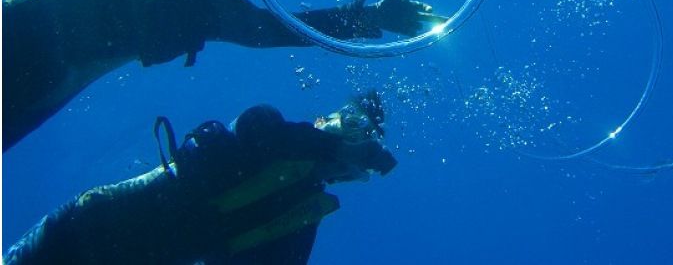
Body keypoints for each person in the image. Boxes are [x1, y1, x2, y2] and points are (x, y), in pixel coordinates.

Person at [3, 0, 440, 150]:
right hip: (23, 19)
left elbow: (283, 30)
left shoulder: (217, 9)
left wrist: (370, 17)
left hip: (52, 79)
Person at [3, 91, 397, 264]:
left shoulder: (300, 224)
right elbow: (258, 131)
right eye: (351, 126)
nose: (354, 144)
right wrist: (334, 148)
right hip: (87, 227)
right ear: (323, 121)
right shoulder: (270, 126)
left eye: (364, 146)